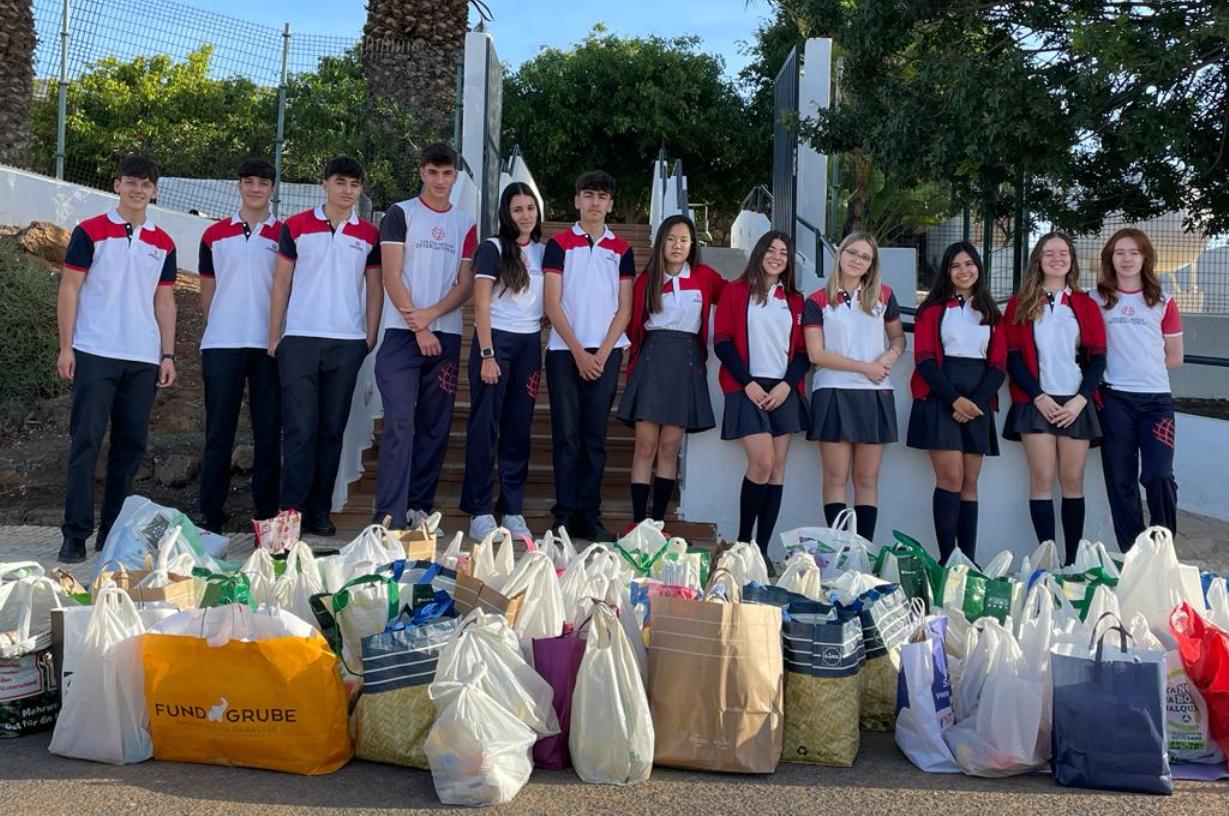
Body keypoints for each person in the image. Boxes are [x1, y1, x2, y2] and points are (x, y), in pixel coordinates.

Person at [55, 154, 178, 563]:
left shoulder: (164, 242)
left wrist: (167, 353)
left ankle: (112, 533)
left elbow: (165, 300)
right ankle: (75, 534)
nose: (138, 189)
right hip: (94, 351)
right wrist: (67, 346)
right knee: (85, 442)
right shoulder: (90, 231)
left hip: (142, 358)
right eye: (131, 181)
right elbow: (70, 288)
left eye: (146, 184)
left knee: (131, 446)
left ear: (155, 190)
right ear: (116, 184)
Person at [268, 155, 381, 537]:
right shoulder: (296, 226)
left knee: (332, 430)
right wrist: (275, 336)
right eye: (340, 182)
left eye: (353, 184)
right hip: (300, 339)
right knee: (300, 429)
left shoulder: (368, 234)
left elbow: (375, 288)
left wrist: (370, 335)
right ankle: (290, 514)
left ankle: (319, 511)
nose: (347, 190)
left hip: (347, 343)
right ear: (325, 184)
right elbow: (281, 283)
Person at [373, 142, 477, 530]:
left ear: (455, 177)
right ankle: (389, 514)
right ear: (421, 172)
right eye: (432, 173)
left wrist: (431, 317)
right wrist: (419, 326)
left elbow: (465, 285)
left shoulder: (465, 224)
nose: (439, 180)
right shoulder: (400, 214)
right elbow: (390, 276)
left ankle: (418, 506)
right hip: (403, 334)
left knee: (435, 425)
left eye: (447, 174)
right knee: (400, 421)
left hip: (445, 335)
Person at [1003, 232, 1106, 565]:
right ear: (1038, 259)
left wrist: (1080, 400)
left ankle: (1073, 561)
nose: (1057, 258)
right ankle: (1047, 559)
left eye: (1063, 253)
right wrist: (1037, 397)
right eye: (1049, 253)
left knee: (1073, 480)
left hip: (1076, 401)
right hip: (1037, 402)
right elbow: (1013, 356)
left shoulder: (1085, 305)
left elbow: (1099, 356)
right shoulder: (1021, 304)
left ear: (1071, 260)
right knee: (1042, 480)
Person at [543, 170, 634, 542]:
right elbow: (551, 301)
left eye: (602, 196)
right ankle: (564, 514)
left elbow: (625, 308)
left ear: (610, 204)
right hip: (566, 351)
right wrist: (580, 351)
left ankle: (588, 514)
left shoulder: (622, 249)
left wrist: (602, 352)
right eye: (589, 195)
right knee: (566, 435)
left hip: (607, 352)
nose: (595, 203)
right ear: (576, 200)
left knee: (594, 436)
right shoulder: (559, 244)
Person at [617, 214, 726, 524]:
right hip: (652, 362)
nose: (677, 245)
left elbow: (735, 296)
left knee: (668, 447)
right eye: (671, 239)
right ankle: (639, 523)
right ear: (660, 242)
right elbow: (632, 324)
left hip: (686, 363)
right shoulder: (646, 280)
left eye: (684, 240)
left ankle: (658, 522)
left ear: (692, 245)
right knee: (646, 445)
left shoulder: (705, 276)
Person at [196, 158, 283, 532]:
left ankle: (264, 517)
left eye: (263, 183)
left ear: (272, 190)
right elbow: (206, 291)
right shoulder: (213, 235)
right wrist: (219, 325)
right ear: (239, 186)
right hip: (222, 344)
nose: (255, 189)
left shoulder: (284, 234)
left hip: (269, 346)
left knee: (267, 434)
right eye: (248, 182)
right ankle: (210, 516)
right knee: (218, 433)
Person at [713, 230, 808, 568]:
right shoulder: (737, 291)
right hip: (745, 386)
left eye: (784, 252)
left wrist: (786, 385)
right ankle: (742, 544)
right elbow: (722, 341)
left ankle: (762, 551)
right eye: (771, 249)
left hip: (783, 389)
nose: (777, 256)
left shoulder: (796, 300)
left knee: (777, 470)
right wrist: (748, 382)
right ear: (758, 253)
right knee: (762, 463)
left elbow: (803, 353)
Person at [907, 241, 1006, 563]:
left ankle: (968, 561)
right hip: (941, 397)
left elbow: (998, 365)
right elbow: (923, 360)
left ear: (978, 268)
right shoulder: (933, 311)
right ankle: (947, 559)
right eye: (956, 265)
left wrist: (973, 402)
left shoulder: (992, 313)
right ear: (947, 272)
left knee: (969, 482)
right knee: (949, 479)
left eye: (969, 264)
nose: (964, 271)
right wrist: (955, 400)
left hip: (977, 401)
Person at [803, 231, 905, 544]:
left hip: (875, 394)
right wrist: (866, 367)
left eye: (865, 256)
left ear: (871, 264)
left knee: (866, 479)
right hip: (832, 391)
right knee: (835, 478)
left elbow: (898, 339)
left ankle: (863, 552)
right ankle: (838, 551)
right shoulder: (817, 300)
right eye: (852, 252)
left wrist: (888, 357)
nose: (857, 260)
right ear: (840, 254)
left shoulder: (884, 296)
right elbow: (816, 354)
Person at [460, 183, 543, 541]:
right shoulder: (492, 249)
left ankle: (511, 508)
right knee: (484, 428)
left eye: (530, 208)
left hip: (529, 346)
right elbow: (480, 305)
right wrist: (487, 353)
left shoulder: (545, 251)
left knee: (518, 430)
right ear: (506, 214)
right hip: (495, 343)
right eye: (517, 209)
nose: (525, 215)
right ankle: (479, 511)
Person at [1091, 227, 1183, 551]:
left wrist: (1141, 366)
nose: (1127, 259)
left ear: (1145, 257)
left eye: (1134, 252)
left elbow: (1175, 357)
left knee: (1159, 475)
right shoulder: (1096, 299)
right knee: (1120, 480)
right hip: (1114, 399)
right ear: (1110, 258)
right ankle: (1133, 554)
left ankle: (1163, 549)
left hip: (1156, 402)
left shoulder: (1163, 301)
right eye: (1119, 252)